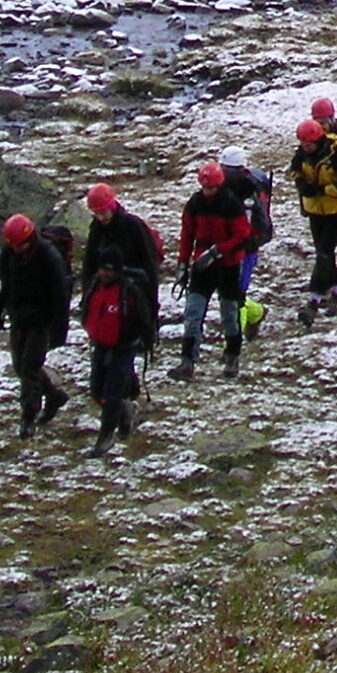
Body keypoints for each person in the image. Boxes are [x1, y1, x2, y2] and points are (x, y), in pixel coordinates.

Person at [0, 214, 75, 424]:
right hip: (18, 317)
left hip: (42, 319)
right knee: (20, 366)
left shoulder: (49, 256)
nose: (17, 249)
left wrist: (59, 330)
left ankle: (28, 416)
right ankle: (54, 396)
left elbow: (60, 295)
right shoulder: (9, 253)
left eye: (20, 245)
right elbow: (2, 284)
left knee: (29, 367)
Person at [169, 164, 250, 378]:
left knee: (229, 314)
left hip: (228, 266)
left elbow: (242, 235)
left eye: (212, 188)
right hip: (202, 266)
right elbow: (187, 235)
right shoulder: (194, 204)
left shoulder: (232, 205)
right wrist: (182, 264)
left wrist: (217, 252)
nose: (208, 192)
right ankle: (187, 362)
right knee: (193, 313)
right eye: (205, 188)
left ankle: (232, 356)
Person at [79, 184, 162, 368]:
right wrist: (88, 295)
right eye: (97, 214)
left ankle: (122, 383)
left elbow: (149, 264)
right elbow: (89, 264)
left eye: (103, 212)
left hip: (131, 294)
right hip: (106, 292)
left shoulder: (133, 226)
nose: (101, 217)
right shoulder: (97, 229)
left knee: (125, 340)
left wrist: (150, 302)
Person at [291, 117, 337, 319]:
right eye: (303, 144)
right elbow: (295, 170)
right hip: (315, 210)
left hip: (336, 210)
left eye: (308, 145)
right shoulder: (302, 153)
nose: (305, 148)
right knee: (322, 251)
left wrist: (321, 190)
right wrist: (302, 186)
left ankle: (314, 299)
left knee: (325, 252)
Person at [83, 251, 140, 461]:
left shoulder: (128, 291)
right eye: (102, 269)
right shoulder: (94, 286)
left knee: (111, 393)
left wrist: (137, 341)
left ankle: (105, 437)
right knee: (97, 391)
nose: (104, 273)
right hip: (99, 345)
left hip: (122, 348)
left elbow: (140, 318)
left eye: (109, 269)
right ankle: (125, 410)